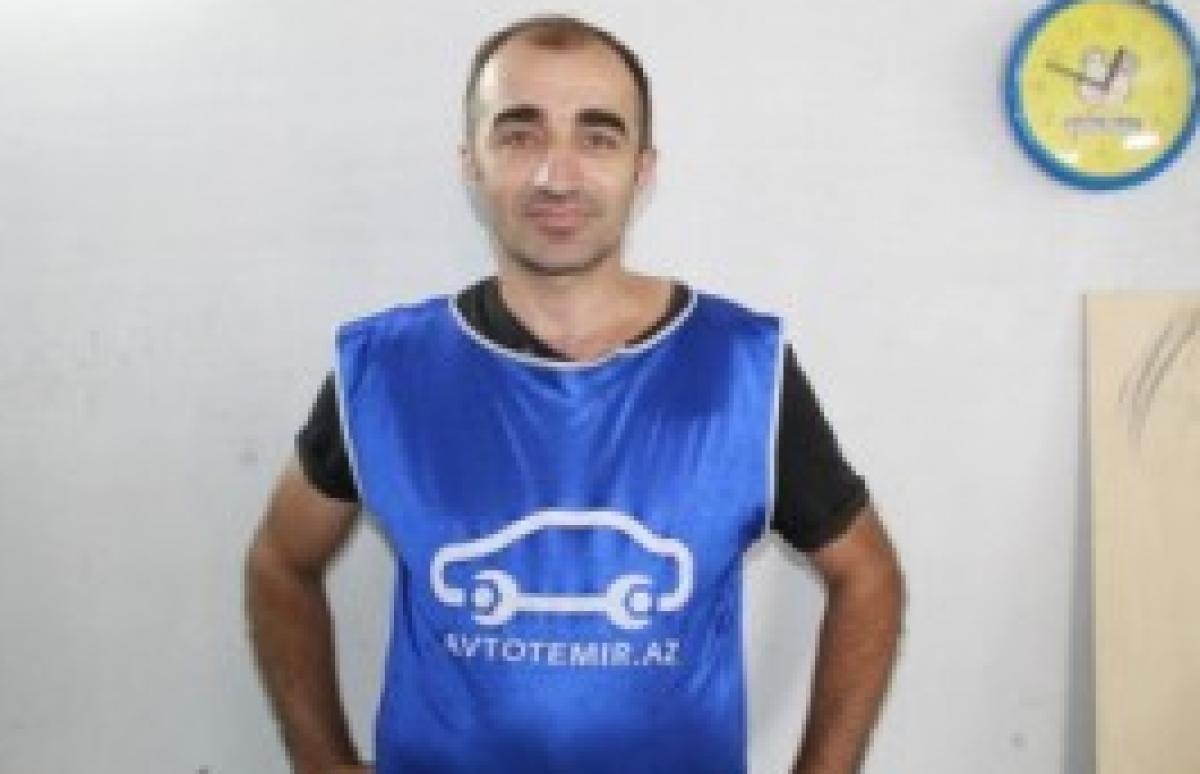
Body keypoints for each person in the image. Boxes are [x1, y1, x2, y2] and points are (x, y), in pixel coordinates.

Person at [246, 14, 904, 774]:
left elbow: (867, 574)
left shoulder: (743, 369)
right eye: (520, 134)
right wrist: (321, 760)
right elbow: (280, 561)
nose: (556, 176)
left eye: (597, 137)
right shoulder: (384, 372)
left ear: (642, 168)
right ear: (472, 161)